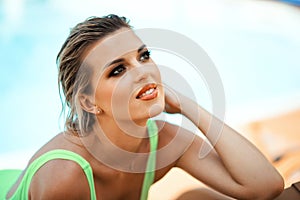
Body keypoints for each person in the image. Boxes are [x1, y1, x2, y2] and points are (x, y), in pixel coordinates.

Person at [4, 14, 284, 199]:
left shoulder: (161, 142)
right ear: (88, 102)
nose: (142, 72)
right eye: (117, 70)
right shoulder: (64, 176)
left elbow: (264, 186)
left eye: (144, 56)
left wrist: (188, 107)